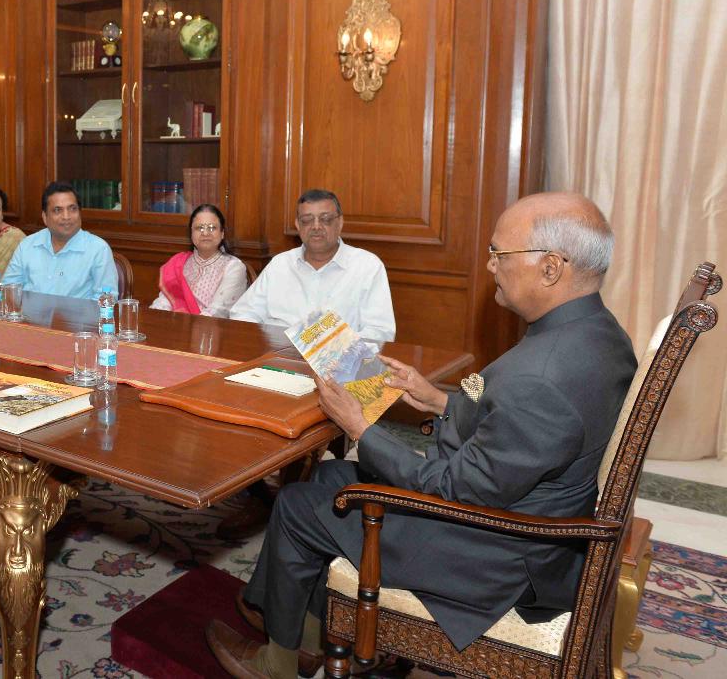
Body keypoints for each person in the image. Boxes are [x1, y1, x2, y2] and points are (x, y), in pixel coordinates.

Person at [207, 192, 638, 679]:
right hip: (522, 518)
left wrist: (360, 427)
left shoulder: (543, 374)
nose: (491, 266)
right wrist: (440, 401)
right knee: (331, 477)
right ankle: (302, 634)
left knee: (295, 505)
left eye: (500, 253)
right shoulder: (600, 334)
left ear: (551, 267)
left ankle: (277, 664)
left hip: (494, 553)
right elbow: (521, 431)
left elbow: (456, 489)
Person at [230, 189, 395, 342]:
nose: (316, 226)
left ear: (340, 222)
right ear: (297, 225)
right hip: (277, 354)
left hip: (339, 359)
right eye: (307, 220)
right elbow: (243, 314)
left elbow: (380, 332)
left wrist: (331, 348)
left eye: (326, 219)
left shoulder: (367, 266)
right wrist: (262, 342)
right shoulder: (280, 264)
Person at [2, 181, 118, 301]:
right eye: (57, 210)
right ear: (45, 217)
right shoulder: (27, 245)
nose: (66, 217)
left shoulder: (98, 250)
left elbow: (106, 299)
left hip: (77, 314)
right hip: (29, 312)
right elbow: (8, 289)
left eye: (72, 209)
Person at [150, 204, 248, 318]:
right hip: (175, 325)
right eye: (199, 228)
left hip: (211, 327)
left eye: (212, 228)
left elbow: (217, 312)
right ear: (191, 233)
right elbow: (164, 302)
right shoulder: (179, 264)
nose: (205, 233)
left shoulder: (234, 268)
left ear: (222, 233)